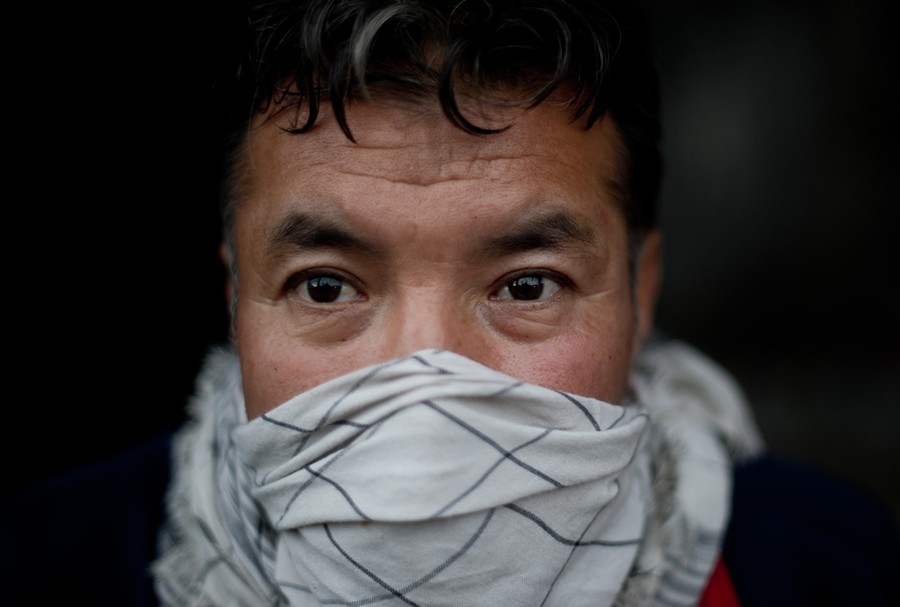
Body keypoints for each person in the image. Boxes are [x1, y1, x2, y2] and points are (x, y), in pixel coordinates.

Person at [3, 1, 898, 606]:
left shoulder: (833, 571)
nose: (424, 386)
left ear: (641, 293)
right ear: (235, 293)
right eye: (326, 285)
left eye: (527, 285)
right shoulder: (49, 561)